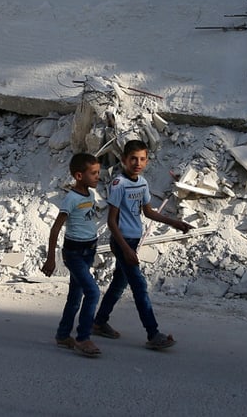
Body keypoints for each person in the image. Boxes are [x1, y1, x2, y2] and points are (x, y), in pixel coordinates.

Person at [92, 139, 193, 350]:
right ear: (124, 160)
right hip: (122, 242)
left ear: (146, 161)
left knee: (119, 284)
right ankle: (153, 333)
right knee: (139, 287)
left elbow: (148, 212)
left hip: (133, 242)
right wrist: (127, 250)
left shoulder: (142, 183)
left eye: (142, 159)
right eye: (133, 159)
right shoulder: (119, 184)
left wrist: (175, 222)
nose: (137, 163)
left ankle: (99, 322)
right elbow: (111, 222)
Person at [41, 152, 103, 358]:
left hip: (88, 250)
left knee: (75, 296)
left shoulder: (91, 195)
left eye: (98, 172)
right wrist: (51, 258)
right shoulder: (71, 198)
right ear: (79, 176)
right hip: (74, 252)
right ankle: (83, 338)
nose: (97, 177)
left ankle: (63, 335)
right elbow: (55, 228)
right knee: (93, 292)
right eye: (93, 173)